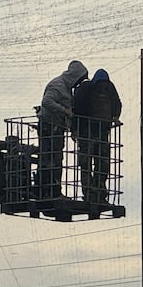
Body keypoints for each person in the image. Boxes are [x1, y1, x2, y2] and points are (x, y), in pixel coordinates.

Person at [35, 60, 88, 200]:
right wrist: (64, 110)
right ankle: (48, 192)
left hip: (56, 128)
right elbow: (46, 102)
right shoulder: (58, 86)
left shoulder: (65, 87)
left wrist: (71, 129)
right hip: (49, 127)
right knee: (51, 160)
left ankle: (51, 191)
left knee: (54, 159)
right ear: (74, 76)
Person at [70, 67, 122, 207]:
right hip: (103, 131)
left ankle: (88, 194)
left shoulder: (86, 88)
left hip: (86, 132)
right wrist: (115, 117)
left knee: (85, 164)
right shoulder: (109, 88)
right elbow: (118, 104)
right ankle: (100, 193)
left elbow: (77, 109)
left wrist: (74, 129)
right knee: (102, 164)